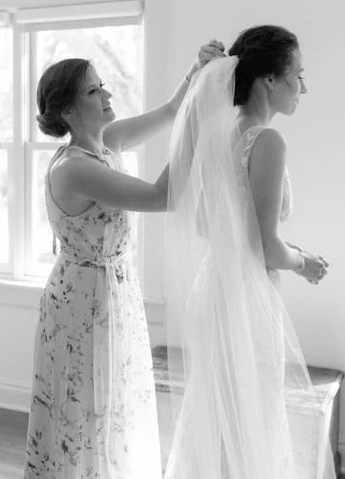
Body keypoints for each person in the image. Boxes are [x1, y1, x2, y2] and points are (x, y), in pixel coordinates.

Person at [24, 40, 224, 478]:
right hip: (83, 301)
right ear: (69, 110)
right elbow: (162, 196)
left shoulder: (105, 143)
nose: (108, 96)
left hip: (115, 292)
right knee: (86, 409)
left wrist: (197, 69)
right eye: (95, 92)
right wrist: (201, 125)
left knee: (115, 406)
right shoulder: (73, 168)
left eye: (103, 87)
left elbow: (171, 111)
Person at [163, 25, 334, 479]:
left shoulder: (218, 134)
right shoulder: (267, 140)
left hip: (212, 285)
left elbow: (204, 222)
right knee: (251, 416)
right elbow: (265, 247)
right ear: (270, 80)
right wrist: (305, 262)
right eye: (298, 74)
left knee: (217, 409)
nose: (303, 86)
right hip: (244, 295)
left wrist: (233, 242)